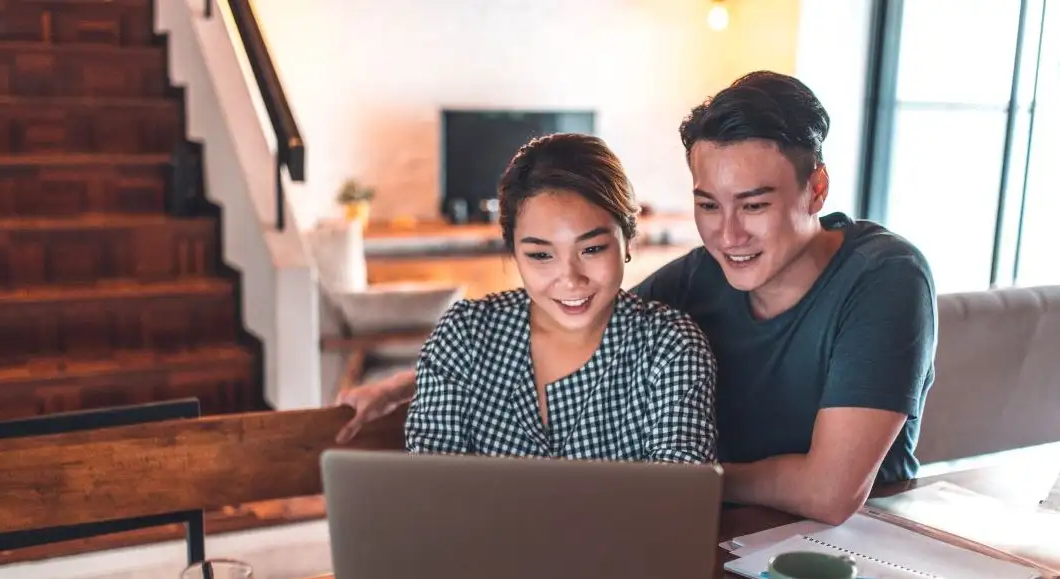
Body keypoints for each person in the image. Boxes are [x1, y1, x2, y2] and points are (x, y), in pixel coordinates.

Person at [336, 72, 936, 524]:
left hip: (859, 549)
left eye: (754, 204)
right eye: (707, 204)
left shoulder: (884, 278)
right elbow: (570, 314)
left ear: (815, 189)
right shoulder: (703, 276)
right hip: (725, 537)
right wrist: (402, 383)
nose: (727, 235)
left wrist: (684, 482)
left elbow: (830, 494)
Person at [402, 132, 718, 463]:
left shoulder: (669, 346)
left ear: (627, 238)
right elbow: (432, 484)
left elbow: (680, 492)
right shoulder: (464, 334)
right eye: (540, 255)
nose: (569, 279)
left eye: (592, 249)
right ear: (514, 252)